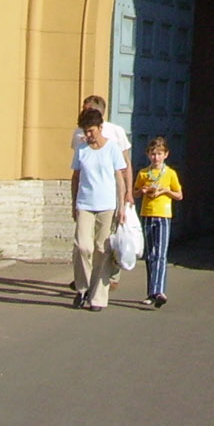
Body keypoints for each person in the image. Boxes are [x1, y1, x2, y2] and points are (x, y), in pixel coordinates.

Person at [69, 94, 130, 294]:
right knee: (83, 247)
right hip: (85, 203)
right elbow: (76, 176)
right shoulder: (81, 146)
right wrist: (73, 203)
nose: (88, 135)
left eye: (91, 131)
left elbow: (121, 173)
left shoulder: (114, 140)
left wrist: (124, 201)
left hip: (107, 204)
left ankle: (98, 296)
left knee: (102, 250)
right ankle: (83, 288)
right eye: (85, 131)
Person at [135, 135, 182, 309]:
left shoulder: (170, 174)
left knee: (160, 254)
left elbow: (179, 194)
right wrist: (143, 190)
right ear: (148, 154)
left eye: (159, 154)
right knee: (150, 255)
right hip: (147, 214)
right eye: (153, 154)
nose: (156, 157)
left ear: (166, 155)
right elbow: (135, 192)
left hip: (163, 215)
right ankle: (151, 292)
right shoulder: (144, 173)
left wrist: (165, 191)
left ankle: (159, 291)